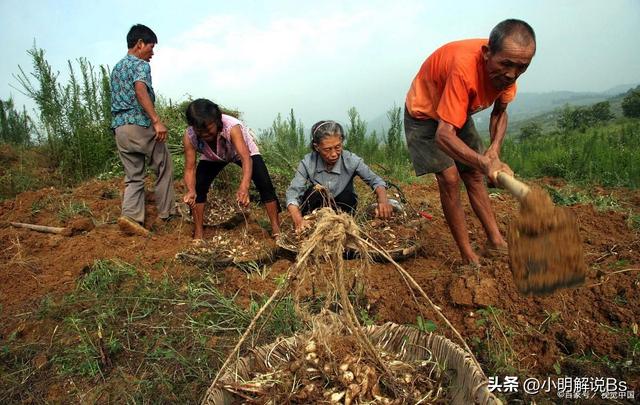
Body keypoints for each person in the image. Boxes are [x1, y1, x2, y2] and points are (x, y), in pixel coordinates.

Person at [404, 19, 536, 265]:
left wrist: (493, 152)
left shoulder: (509, 70)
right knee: (450, 178)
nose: (512, 74)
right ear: (487, 53)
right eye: (506, 64)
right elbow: (443, 135)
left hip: (456, 113)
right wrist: (485, 164)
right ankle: (467, 255)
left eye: (522, 67)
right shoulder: (464, 70)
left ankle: (495, 242)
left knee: (474, 175)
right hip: (423, 114)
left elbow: (499, 112)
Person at [182, 98, 281, 240]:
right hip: (213, 156)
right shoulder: (190, 136)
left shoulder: (232, 126)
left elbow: (246, 158)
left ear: (217, 121)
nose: (204, 135)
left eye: (208, 130)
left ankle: (276, 229)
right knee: (199, 188)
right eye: (200, 131)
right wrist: (191, 190)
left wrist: (244, 187)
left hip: (241, 152)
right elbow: (189, 169)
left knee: (265, 184)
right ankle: (198, 232)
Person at [111, 24, 176, 235]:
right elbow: (140, 90)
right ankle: (168, 215)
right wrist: (156, 121)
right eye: (151, 47)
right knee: (163, 165)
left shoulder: (117, 68)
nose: (152, 53)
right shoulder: (140, 65)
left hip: (120, 129)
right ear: (139, 44)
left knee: (133, 176)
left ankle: (130, 217)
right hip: (139, 125)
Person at [286, 120, 393, 231]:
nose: (334, 154)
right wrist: (299, 220)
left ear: (341, 141)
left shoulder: (350, 160)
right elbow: (293, 193)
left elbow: (376, 181)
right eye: (327, 149)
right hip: (316, 213)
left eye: (338, 147)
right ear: (317, 147)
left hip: (343, 213)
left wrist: (383, 201)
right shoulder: (308, 163)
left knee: (347, 195)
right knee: (316, 192)